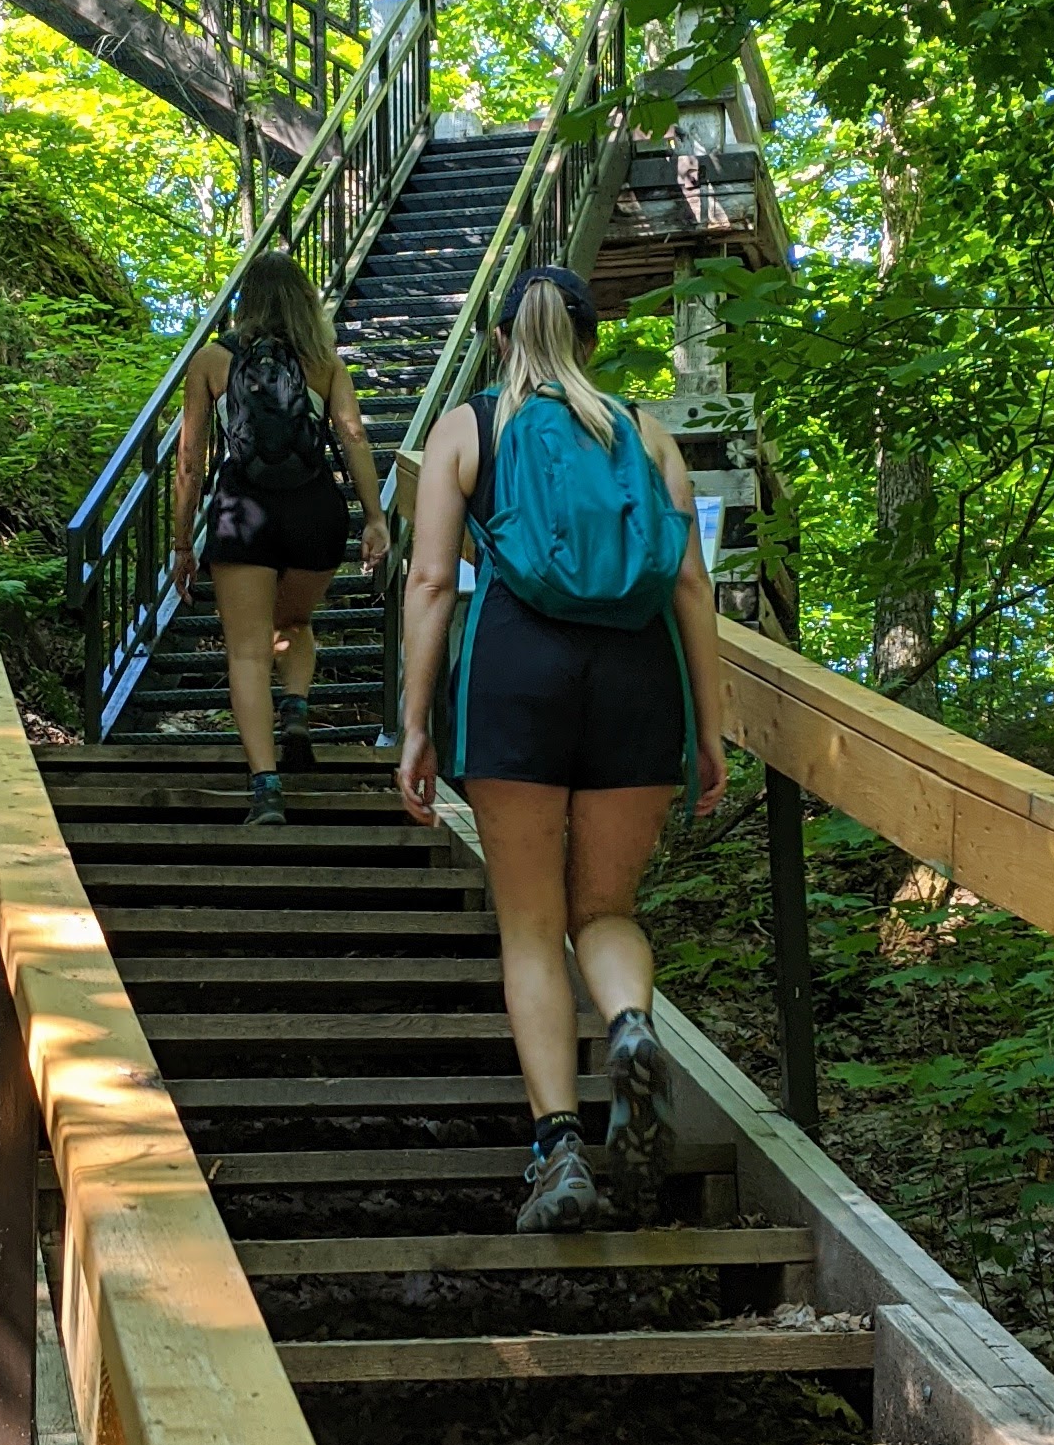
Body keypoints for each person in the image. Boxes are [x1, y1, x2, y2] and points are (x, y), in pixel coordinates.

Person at [396, 264, 728, 1228]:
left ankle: (559, 1151)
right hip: (638, 683)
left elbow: (428, 583)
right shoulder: (645, 433)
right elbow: (690, 590)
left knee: (532, 926)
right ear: (588, 341)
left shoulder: (473, 426)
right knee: (608, 908)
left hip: (514, 678)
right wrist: (708, 729)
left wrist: (416, 721)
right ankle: (628, 1025)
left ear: (503, 338)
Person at [171, 247, 390, 826]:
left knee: (246, 652)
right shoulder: (324, 363)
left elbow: (190, 460)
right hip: (316, 514)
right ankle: (296, 704)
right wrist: (375, 517)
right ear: (302, 302)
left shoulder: (212, 361)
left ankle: (266, 789)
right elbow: (354, 438)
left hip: (242, 514)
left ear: (247, 302)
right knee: (293, 622)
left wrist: (181, 543)